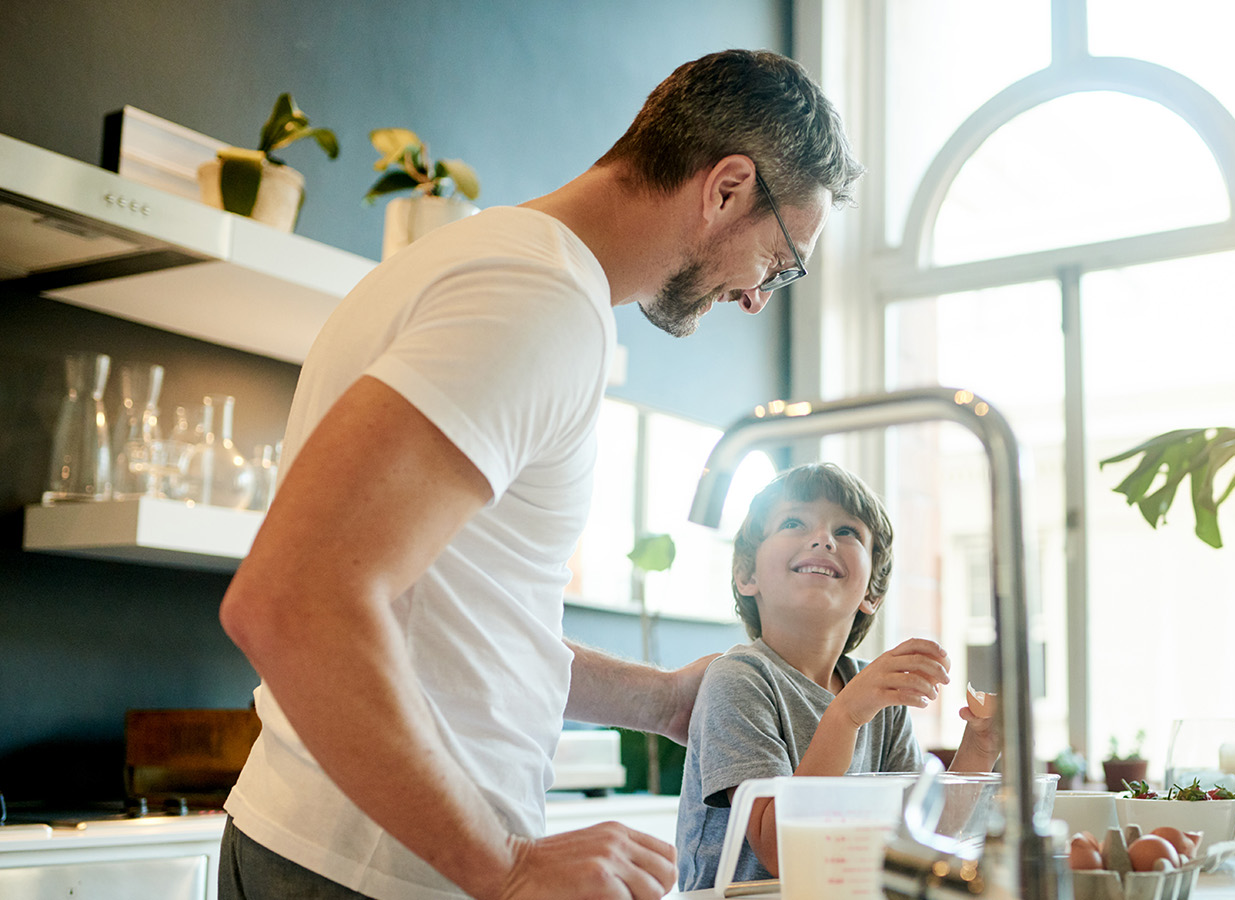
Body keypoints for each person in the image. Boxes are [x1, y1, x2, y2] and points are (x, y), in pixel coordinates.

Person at [215, 49, 863, 900]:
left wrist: (662, 699)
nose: (756, 298)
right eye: (780, 263)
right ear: (727, 188)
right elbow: (293, 599)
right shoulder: (536, 301)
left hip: (330, 851)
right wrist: (508, 866)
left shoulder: (487, 264)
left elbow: (457, 622)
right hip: (370, 871)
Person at [674, 463, 1001, 890]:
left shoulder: (877, 699)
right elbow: (781, 851)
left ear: (872, 592)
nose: (823, 538)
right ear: (746, 576)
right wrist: (846, 714)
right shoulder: (738, 680)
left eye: (847, 531)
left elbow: (921, 837)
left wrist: (979, 747)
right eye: (793, 522)